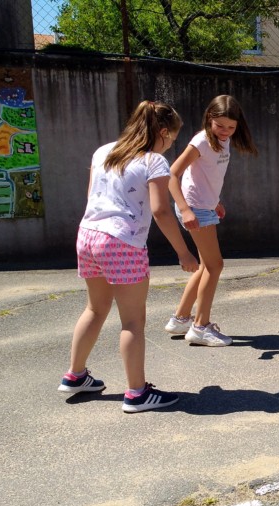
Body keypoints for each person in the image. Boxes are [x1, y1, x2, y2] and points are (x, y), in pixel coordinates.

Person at [60, 100, 199, 413]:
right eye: (172, 139)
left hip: (88, 235)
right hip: (122, 243)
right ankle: (137, 393)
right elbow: (161, 211)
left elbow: (91, 196)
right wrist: (183, 252)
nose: (170, 145)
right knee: (133, 321)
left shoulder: (103, 151)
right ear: (163, 132)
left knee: (95, 308)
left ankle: (75, 375)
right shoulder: (154, 161)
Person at [163, 95, 258, 347]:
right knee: (215, 266)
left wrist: (215, 202)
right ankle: (200, 327)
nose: (225, 131)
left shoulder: (221, 141)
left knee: (207, 266)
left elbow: (205, 176)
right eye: (220, 125)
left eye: (231, 127)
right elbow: (172, 174)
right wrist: (185, 209)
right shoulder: (202, 141)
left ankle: (181, 319)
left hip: (205, 207)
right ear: (209, 118)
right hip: (195, 209)